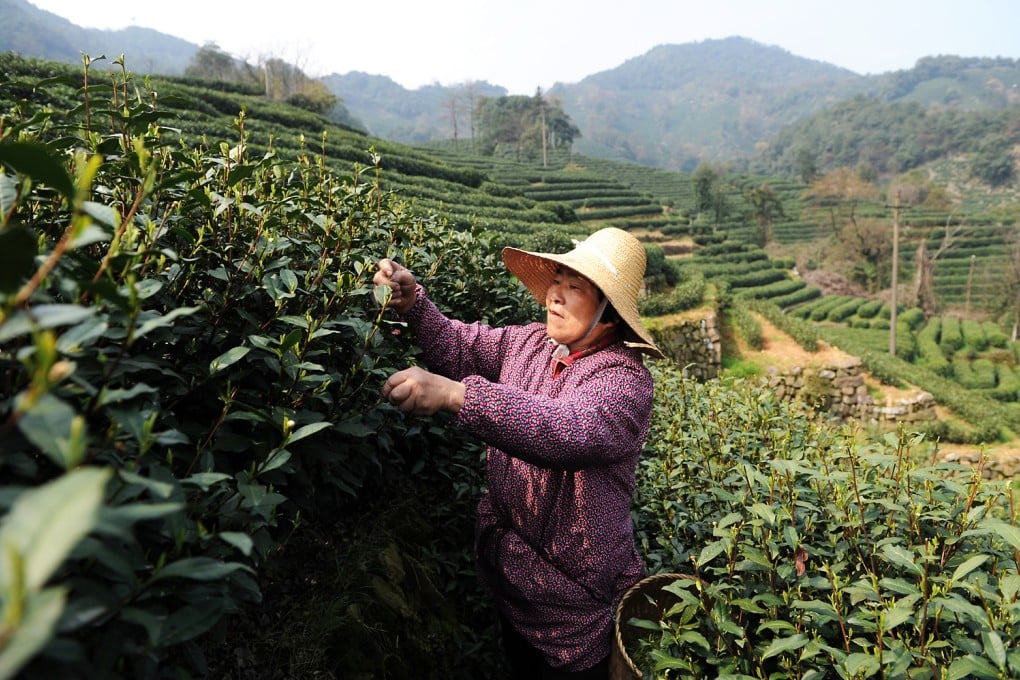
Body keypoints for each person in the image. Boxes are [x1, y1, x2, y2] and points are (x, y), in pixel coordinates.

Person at [374, 227, 664, 679]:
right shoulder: (530, 344)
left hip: (574, 610)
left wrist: (459, 397)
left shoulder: (625, 382)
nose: (556, 296)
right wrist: (415, 304)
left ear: (609, 311)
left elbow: (567, 430)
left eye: (575, 287)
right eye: (557, 281)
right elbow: (460, 345)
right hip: (513, 580)